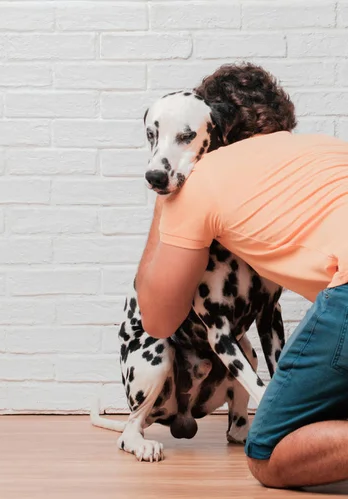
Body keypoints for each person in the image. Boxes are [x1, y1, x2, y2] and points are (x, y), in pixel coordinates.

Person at [136, 73, 348, 487]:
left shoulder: (205, 176)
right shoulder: (330, 149)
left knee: (269, 451)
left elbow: (158, 320)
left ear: (214, 130)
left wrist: (166, 198)